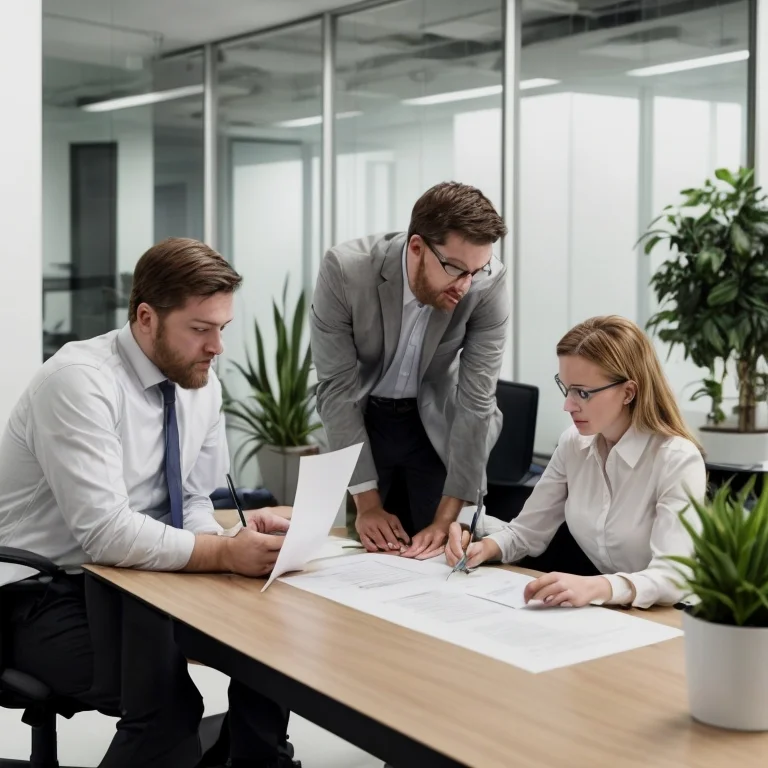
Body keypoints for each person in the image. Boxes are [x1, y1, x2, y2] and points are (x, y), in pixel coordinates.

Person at [0, 238, 299, 768]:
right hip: (39, 592)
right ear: (145, 318)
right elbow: (106, 533)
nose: (216, 348)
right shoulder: (79, 383)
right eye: (200, 329)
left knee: (267, 652)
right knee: (165, 707)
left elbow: (191, 498)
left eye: (222, 329)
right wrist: (225, 555)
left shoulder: (200, 384)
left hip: (137, 582)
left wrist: (234, 538)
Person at [446, 315, 706, 609]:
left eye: (583, 392)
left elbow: (673, 576)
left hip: (679, 616)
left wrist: (597, 586)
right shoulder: (574, 444)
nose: (568, 405)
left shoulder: (677, 459)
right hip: (619, 613)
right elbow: (527, 532)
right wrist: (483, 548)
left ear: (628, 392)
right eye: (566, 388)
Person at [310, 181, 509, 561]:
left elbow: (477, 400)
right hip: (364, 419)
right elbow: (336, 390)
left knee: (440, 554)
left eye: (477, 270)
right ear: (416, 247)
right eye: (455, 269)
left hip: (436, 423)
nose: (465, 286)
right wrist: (367, 505)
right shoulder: (346, 271)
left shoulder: (487, 282)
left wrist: (448, 518)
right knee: (366, 554)